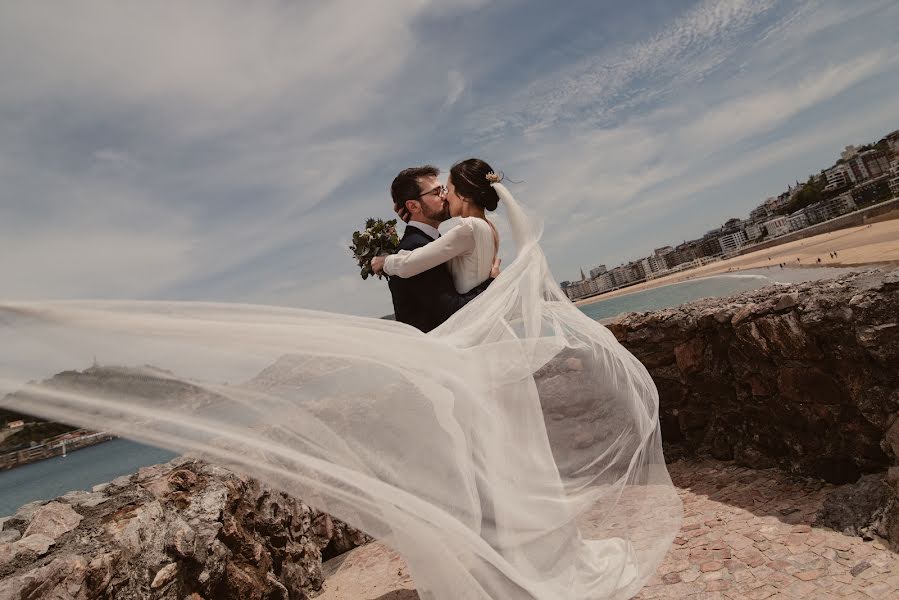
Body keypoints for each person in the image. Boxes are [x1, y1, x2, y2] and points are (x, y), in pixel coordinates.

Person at [0, 162, 682, 599]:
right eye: (431, 191)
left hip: (463, 363)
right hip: (450, 366)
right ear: (411, 207)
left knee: (498, 463)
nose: (440, 194)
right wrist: (401, 268)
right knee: (479, 468)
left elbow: (441, 292)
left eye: (444, 187)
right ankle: (498, 564)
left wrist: (388, 264)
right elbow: (443, 294)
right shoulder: (436, 237)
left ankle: (510, 564)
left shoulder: (443, 240)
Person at [375, 164, 494, 333]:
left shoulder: (432, 241)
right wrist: (493, 284)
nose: (445, 196)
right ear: (413, 206)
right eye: (436, 192)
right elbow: (451, 313)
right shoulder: (414, 246)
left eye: (444, 189)